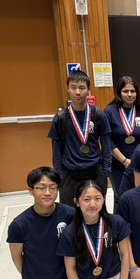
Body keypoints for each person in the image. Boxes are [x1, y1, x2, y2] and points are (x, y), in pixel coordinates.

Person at [7, 167, 79, 279]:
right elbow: (17, 258)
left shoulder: (69, 214)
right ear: (30, 191)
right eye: (41, 188)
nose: (48, 192)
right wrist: (34, 277)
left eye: (53, 187)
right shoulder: (19, 224)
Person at [57, 180, 131, 279]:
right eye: (86, 199)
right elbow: (70, 268)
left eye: (97, 198)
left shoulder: (115, 222)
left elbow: (125, 254)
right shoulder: (70, 232)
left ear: (104, 199)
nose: (92, 204)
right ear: (76, 202)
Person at [48, 70, 111, 207]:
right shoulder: (61, 118)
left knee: (96, 211)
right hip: (70, 174)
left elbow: (106, 145)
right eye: (74, 87)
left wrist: (106, 171)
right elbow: (56, 150)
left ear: (88, 90)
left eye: (82, 88)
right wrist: (60, 175)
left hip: (95, 172)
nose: (78, 92)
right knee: (70, 214)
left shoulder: (98, 115)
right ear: (68, 89)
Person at [104, 76, 140, 208]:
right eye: (125, 91)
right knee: (121, 196)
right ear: (119, 92)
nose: (129, 94)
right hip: (118, 164)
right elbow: (107, 140)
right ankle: (119, 226)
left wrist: (137, 160)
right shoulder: (110, 112)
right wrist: (124, 160)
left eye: (132, 91)